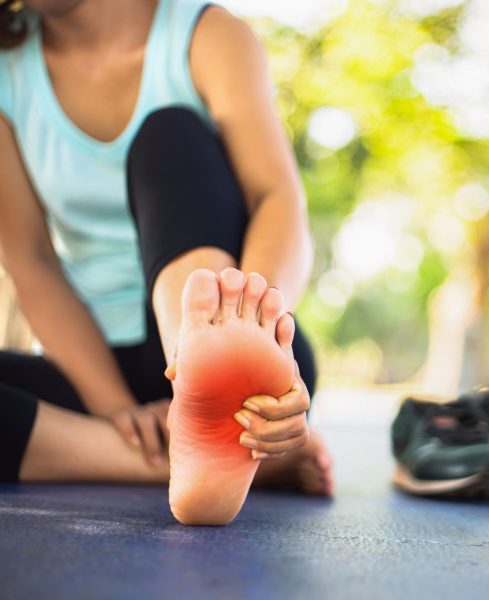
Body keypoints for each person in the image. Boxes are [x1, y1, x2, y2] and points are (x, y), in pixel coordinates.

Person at [0, 0, 333, 524]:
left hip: (240, 366)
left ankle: (205, 355)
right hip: (93, 377)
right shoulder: (6, 73)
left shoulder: (206, 35)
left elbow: (278, 200)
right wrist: (116, 410)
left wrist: (259, 326)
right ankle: (190, 454)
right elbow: (31, 262)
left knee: (168, 134)